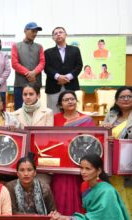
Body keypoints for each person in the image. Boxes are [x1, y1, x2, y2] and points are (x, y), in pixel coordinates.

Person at [52, 90, 95, 215]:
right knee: (59, 191)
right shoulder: (54, 119)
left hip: (80, 165)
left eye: (72, 99)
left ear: (76, 101)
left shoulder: (86, 119)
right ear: (60, 104)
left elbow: (92, 141)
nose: (70, 101)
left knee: (78, 192)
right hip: (59, 165)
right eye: (66, 100)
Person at [50, 154, 130, 220]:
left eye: (88, 169)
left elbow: (99, 217)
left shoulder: (107, 191)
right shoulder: (84, 185)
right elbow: (89, 214)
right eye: (81, 168)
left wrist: (68, 218)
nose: (83, 172)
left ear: (98, 171)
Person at [102, 86, 132, 214]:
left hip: (128, 163)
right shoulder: (111, 114)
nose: (126, 99)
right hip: (112, 163)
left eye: (129, 96)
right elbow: (102, 135)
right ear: (116, 100)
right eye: (122, 97)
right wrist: (105, 128)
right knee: (113, 195)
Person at [44, 27, 83, 113]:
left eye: (60, 32)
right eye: (55, 33)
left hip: (70, 85)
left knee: (71, 112)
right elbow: (46, 67)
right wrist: (58, 77)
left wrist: (67, 77)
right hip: (53, 86)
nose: (58, 34)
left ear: (65, 35)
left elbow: (79, 66)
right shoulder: (47, 52)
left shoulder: (75, 50)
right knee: (53, 113)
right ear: (53, 37)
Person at [11, 22, 45, 110]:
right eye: (33, 31)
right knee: (19, 110)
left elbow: (42, 62)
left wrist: (34, 72)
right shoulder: (16, 46)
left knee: (36, 109)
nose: (35, 34)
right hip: (20, 84)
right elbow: (14, 64)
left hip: (35, 83)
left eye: (36, 32)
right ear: (25, 31)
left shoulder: (39, 47)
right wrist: (29, 74)